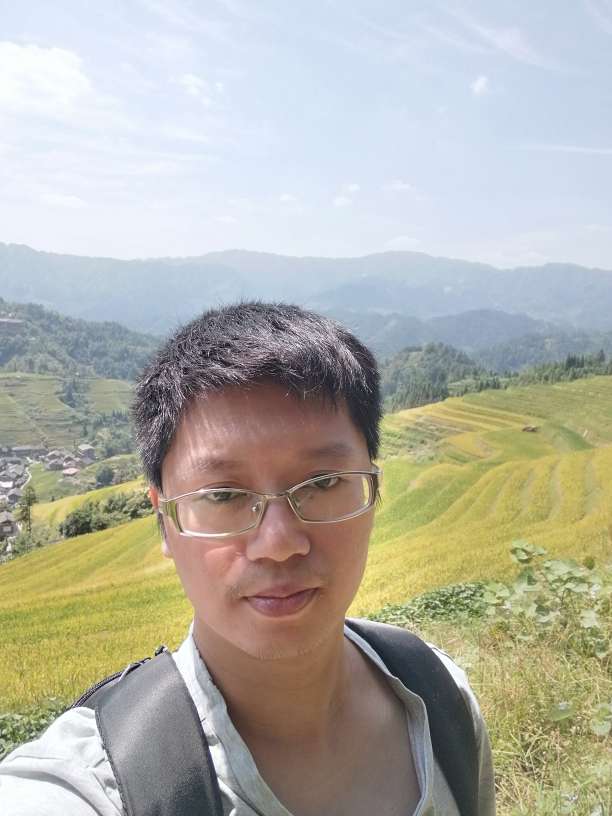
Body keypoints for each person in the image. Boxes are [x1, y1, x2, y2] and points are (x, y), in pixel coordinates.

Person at [0, 302, 495, 815]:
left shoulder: (441, 698)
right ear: (164, 519)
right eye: (223, 495)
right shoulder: (93, 788)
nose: (278, 543)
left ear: (373, 491)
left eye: (324, 482)